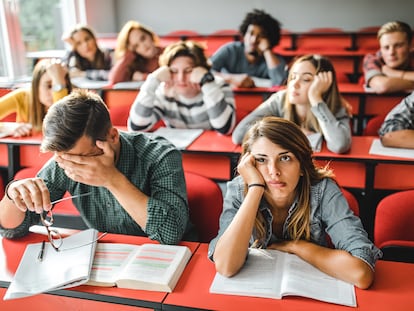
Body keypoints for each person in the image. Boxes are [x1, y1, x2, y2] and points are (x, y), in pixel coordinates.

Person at [209, 116, 382, 289]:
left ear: (302, 165)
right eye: (261, 160)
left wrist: (296, 246)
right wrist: (255, 188)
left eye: (285, 158)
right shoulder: (240, 190)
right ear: (249, 165)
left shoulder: (323, 191)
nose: (273, 172)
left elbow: (361, 273)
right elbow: (225, 266)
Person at [0, 89, 192, 245]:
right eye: (63, 158)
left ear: (113, 136)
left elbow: (170, 235)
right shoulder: (67, 159)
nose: (72, 166)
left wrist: (112, 179)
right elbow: (12, 230)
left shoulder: (160, 154)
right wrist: (13, 193)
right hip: (109, 255)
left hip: (171, 257)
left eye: (83, 159)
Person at [232, 54, 352, 154]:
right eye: (293, 77)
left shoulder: (335, 106)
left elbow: (339, 145)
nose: (294, 84)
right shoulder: (280, 99)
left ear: (323, 85)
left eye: (306, 79)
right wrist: (291, 132)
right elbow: (239, 135)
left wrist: (316, 99)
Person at [128, 40, 236, 134]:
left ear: (201, 70)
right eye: (174, 71)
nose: (181, 78)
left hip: (212, 154)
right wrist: (153, 80)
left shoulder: (218, 86)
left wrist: (206, 82)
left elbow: (225, 128)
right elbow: (137, 126)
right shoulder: (164, 91)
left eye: (188, 70)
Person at [210, 9, 287, 88]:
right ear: (244, 34)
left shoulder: (274, 60)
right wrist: (232, 79)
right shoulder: (230, 50)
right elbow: (205, 72)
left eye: (261, 36)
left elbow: (281, 83)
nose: (253, 40)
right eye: (251, 33)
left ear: (269, 39)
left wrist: (267, 50)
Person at [0, 58, 71, 136]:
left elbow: (62, 129)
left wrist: (59, 82)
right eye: (49, 86)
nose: (54, 93)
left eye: (63, 87)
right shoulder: (24, 96)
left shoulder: (75, 98)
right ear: (35, 86)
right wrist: (6, 127)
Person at [363, 21, 414, 94]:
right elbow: (383, 86)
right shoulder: (372, 59)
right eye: (386, 47)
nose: (391, 52)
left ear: (410, 46)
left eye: (398, 46)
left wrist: (395, 74)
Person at [108, 20, 163, 84]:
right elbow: (114, 80)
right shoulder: (135, 62)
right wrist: (128, 55)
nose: (143, 46)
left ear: (149, 35)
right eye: (136, 46)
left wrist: (143, 77)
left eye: (143, 38)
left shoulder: (168, 53)